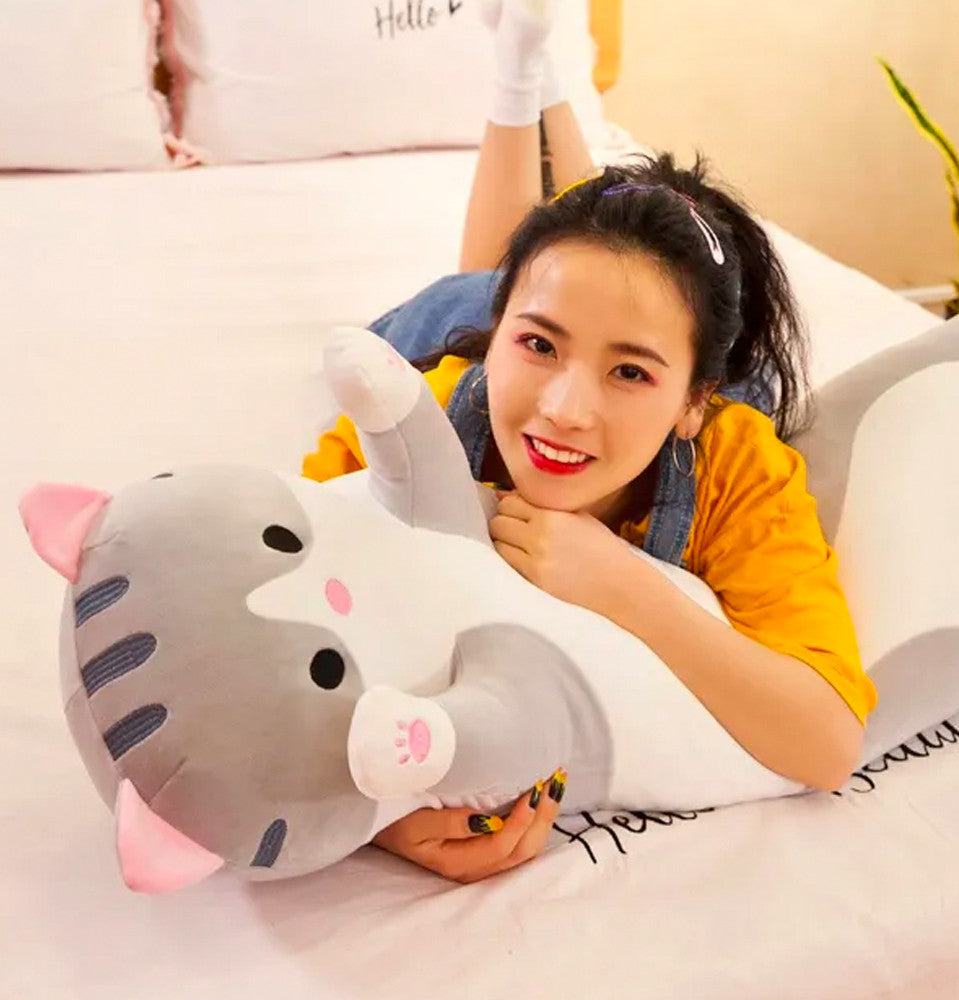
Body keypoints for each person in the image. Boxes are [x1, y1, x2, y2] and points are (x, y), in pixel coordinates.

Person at [302, 0, 875, 883]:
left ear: (694, 403)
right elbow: (288, 612)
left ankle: (538, 77)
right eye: (537, 346)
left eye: (630, 373)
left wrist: (623, 586)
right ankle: (519, 79)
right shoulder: (422, 411)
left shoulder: (736, 460)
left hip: (639, 361)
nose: (566, 411)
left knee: (614, 270)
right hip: (464, 321)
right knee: (494, 280)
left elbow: (827, 743)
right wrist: (378, 817)